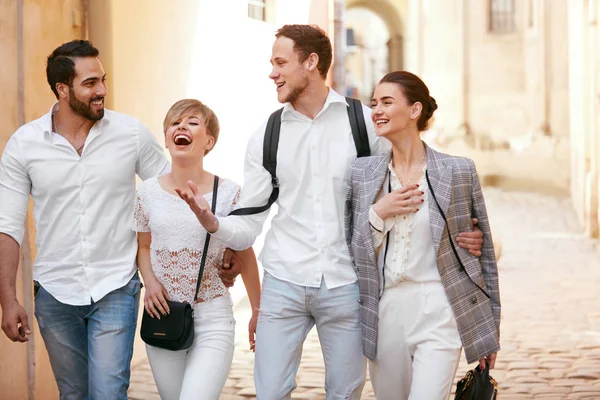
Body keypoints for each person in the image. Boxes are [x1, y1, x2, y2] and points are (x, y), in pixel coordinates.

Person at [176, 25, 484, 400]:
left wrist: (460, 227)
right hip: (283, 282)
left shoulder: (364, 125)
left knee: (344, 394)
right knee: (270, 392)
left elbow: (411, 173)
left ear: (311, 62)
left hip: (347, 283)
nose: (272, 72)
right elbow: (249, 222)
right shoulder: (266, 135)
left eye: (280, 62)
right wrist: (214, 223)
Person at [0, 40, 242, 399]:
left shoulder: (130, 134)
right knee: (73, 394)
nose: (102, 91)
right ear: (63, 89)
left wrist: (223, 247)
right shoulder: (25, 144)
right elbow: (8, 224)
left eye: (103, 80)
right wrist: (8, 298)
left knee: (110, 392)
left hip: (116, 285)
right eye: (90, 83)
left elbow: (175, 196)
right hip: (54, 291)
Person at [346, 71, 500, 399]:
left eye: (387, 102)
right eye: (374, 103)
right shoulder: (363, 173)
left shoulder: (458, 171)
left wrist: (489, 331)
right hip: (386, 310)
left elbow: (483, 256)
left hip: (440, 307)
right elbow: (354, 250)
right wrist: (379, 212)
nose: (376, 110)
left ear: (415, 110)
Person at [134, 99, 261, 400]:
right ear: (166, 138)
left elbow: (244, 251)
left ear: (209, 141)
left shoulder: (229, 193)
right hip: (163, 315)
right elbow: (143, 246)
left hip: (213, 316)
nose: (181, 126)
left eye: (192, 122)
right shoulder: (147, 192)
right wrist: (150, 283)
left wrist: (258, 311)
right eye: (174, 123)